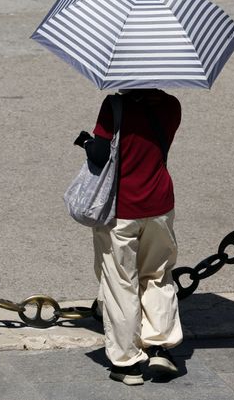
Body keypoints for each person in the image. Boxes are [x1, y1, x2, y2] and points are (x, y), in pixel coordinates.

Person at [74, 88, 182, 386]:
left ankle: (128, 362)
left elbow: (100, 153)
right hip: (160, 204)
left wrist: (85, 140)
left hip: (122, 209)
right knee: (158, 275)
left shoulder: (115, 106)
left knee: (120, 283)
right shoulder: (172, 105)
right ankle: (159, 346)